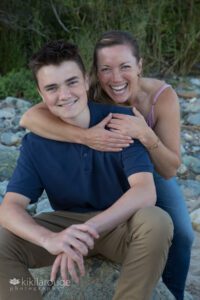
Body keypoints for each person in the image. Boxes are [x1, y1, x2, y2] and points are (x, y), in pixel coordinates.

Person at [20, 30, 194, 300]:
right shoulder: (84, 91)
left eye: (125, 66)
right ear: (94, 74)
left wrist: (146, 135)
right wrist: (87, 136)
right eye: (106, 69)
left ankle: (172, 294)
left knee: (181, 231)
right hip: (106, 159)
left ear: (140, 65)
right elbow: (29, 118)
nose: (115, 78)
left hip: (149, 159)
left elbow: (170, 168)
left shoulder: (161, 97)